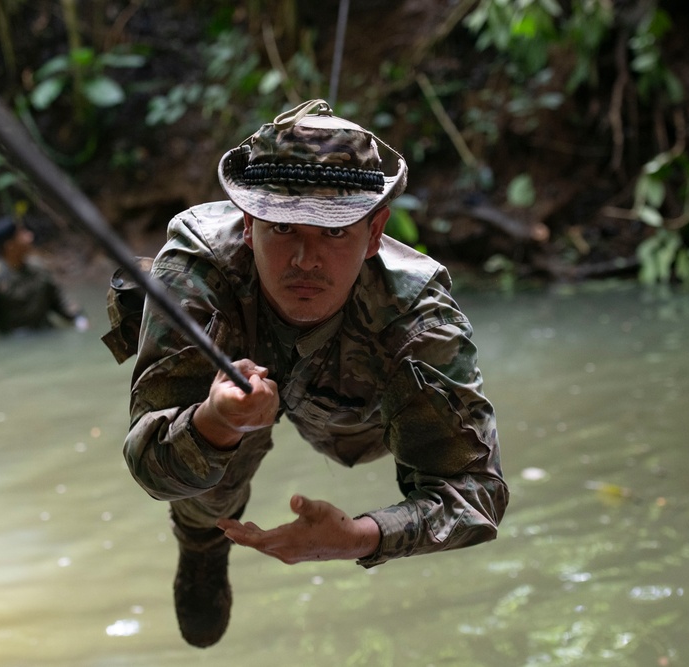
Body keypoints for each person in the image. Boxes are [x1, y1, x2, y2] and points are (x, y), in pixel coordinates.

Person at [105, 99, 508, 648]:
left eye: (336, 233)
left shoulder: (417, 316)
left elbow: (476, 494)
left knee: (370, 442)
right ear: (248, 224)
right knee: (209, 480)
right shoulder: (194, 271)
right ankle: (202, 538)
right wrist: (215, 423)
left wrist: (358, 539)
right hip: (228, 376)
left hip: (353, 410)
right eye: (284, 228)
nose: (305, 260)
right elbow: (147, 463)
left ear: (374, 233)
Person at [0, 215, 88, 340]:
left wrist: (79, 319)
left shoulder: (39, 268)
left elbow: (60, 303)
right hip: (14, 342)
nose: (29, 236)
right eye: (21, 233)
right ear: (9, 245)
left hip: (46, 334)